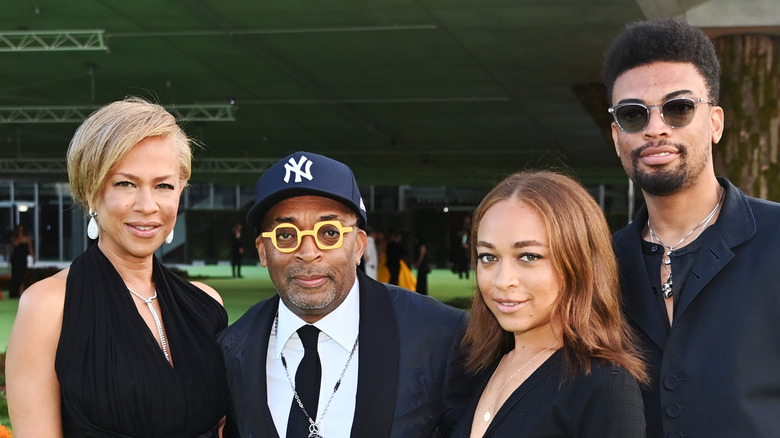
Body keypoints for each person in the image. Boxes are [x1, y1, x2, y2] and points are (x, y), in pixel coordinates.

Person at [5, 97, 229, 437]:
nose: (147, 205)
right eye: (126, 183)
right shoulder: (47, 306)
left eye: (163, 186)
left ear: (180, 191)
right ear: (92, 192)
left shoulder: (206, 305)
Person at [603, 18, 780, 437]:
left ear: (715, 123)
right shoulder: (601, 264)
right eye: (633, 115)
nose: (655, 127)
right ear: (616, 137)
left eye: (678, 108)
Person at [219, 151, 473, 437]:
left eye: (329, 233)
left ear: (359, 246)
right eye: (286, 235)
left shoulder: (442, 336)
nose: (308, 253)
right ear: (263, 251)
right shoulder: (230, 348)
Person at [452, 171, 647, 437]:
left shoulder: (605, 385)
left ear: (578, 263)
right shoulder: (481, 366)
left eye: (529, 256)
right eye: (488, 257)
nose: (502, 280)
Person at [9, 224, 34, 298]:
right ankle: (13, 293)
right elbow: (16, 243)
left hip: (23, 259)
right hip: (15, 258)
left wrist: (33, 257)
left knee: (22, 275)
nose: (21, 231)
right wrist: (20, 237)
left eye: (22, 230)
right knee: (15, 275)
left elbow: (30, 248)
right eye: (19, 230)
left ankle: (20, 291)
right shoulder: (15, 237)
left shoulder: (27, 238)